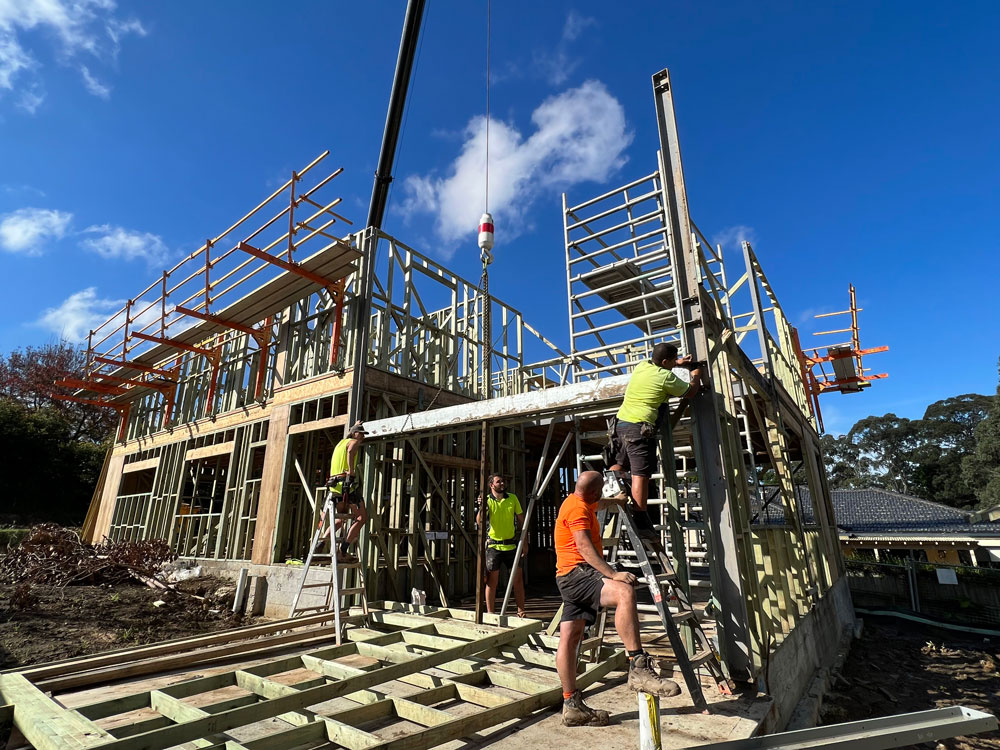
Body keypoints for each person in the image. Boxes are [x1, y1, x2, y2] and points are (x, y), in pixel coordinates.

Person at [555, 471, 681, 727]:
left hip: (566, 577)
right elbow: (583, 546)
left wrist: (617, 501)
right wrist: (613, 573)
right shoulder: (578, 511)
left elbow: (597, 503)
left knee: (570, 637)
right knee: (624, 591)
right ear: (593, 492)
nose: (601, 495)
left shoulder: (575, 500)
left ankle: (571, 704)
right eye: (601, 490)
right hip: (578, 573)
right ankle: (638, 666)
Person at [614, 342, 703, 534]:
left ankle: (608, 494)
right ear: (665, 362)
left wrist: (678, 362)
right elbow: (691, 391)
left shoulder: (642, 366)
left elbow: (657, 362)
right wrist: (695, 375)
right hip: (639, 427)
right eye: (672, 361)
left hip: (621, 424)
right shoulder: (665, 377)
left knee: (619, 464)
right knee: (641, 474)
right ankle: (640, 519)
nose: (674, 364)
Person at [476, 474, 528, 618]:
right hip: (494, 546)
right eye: (499, 482)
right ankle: (491, 613)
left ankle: (521, 611)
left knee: (518, 580)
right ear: (491, 485)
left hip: (511, 545)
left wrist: (525, 542)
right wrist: (482, 507)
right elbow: (479, 521)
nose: (502, 483)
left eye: (503, 481)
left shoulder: (512, 498)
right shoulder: (486, 500)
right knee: (492, 581)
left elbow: (522, 521)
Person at [326, 421, 370, 562]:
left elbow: (347, 446)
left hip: (334, 486)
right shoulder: (353, 442)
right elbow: (351, 450)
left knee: (341, 518)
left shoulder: (340, 443)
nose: (362, 437)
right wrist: (351, 470)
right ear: (355, 433)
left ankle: (321, 543)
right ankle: (343, 550)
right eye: (361, 434)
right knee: (361, 518)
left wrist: (355, 425)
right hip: (346, 486)